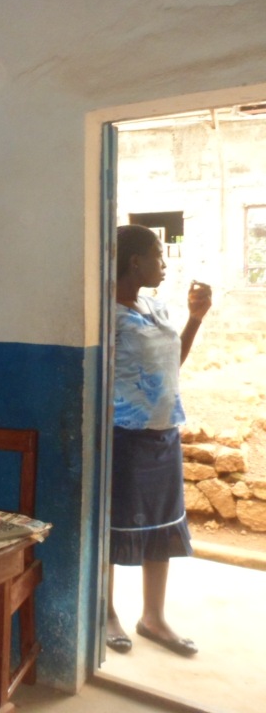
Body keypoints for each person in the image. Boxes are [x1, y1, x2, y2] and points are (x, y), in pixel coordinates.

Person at [105, 224, 212, 657]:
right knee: (113, 527)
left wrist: (195, 318)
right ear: (135, 262)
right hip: (124, 437)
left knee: (163, 526)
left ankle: (153, 617)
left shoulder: (154, 308)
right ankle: (105, 611)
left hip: (164, 434)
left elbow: (174, 363)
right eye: (157, 255)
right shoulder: (107, 315)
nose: (164, 265)